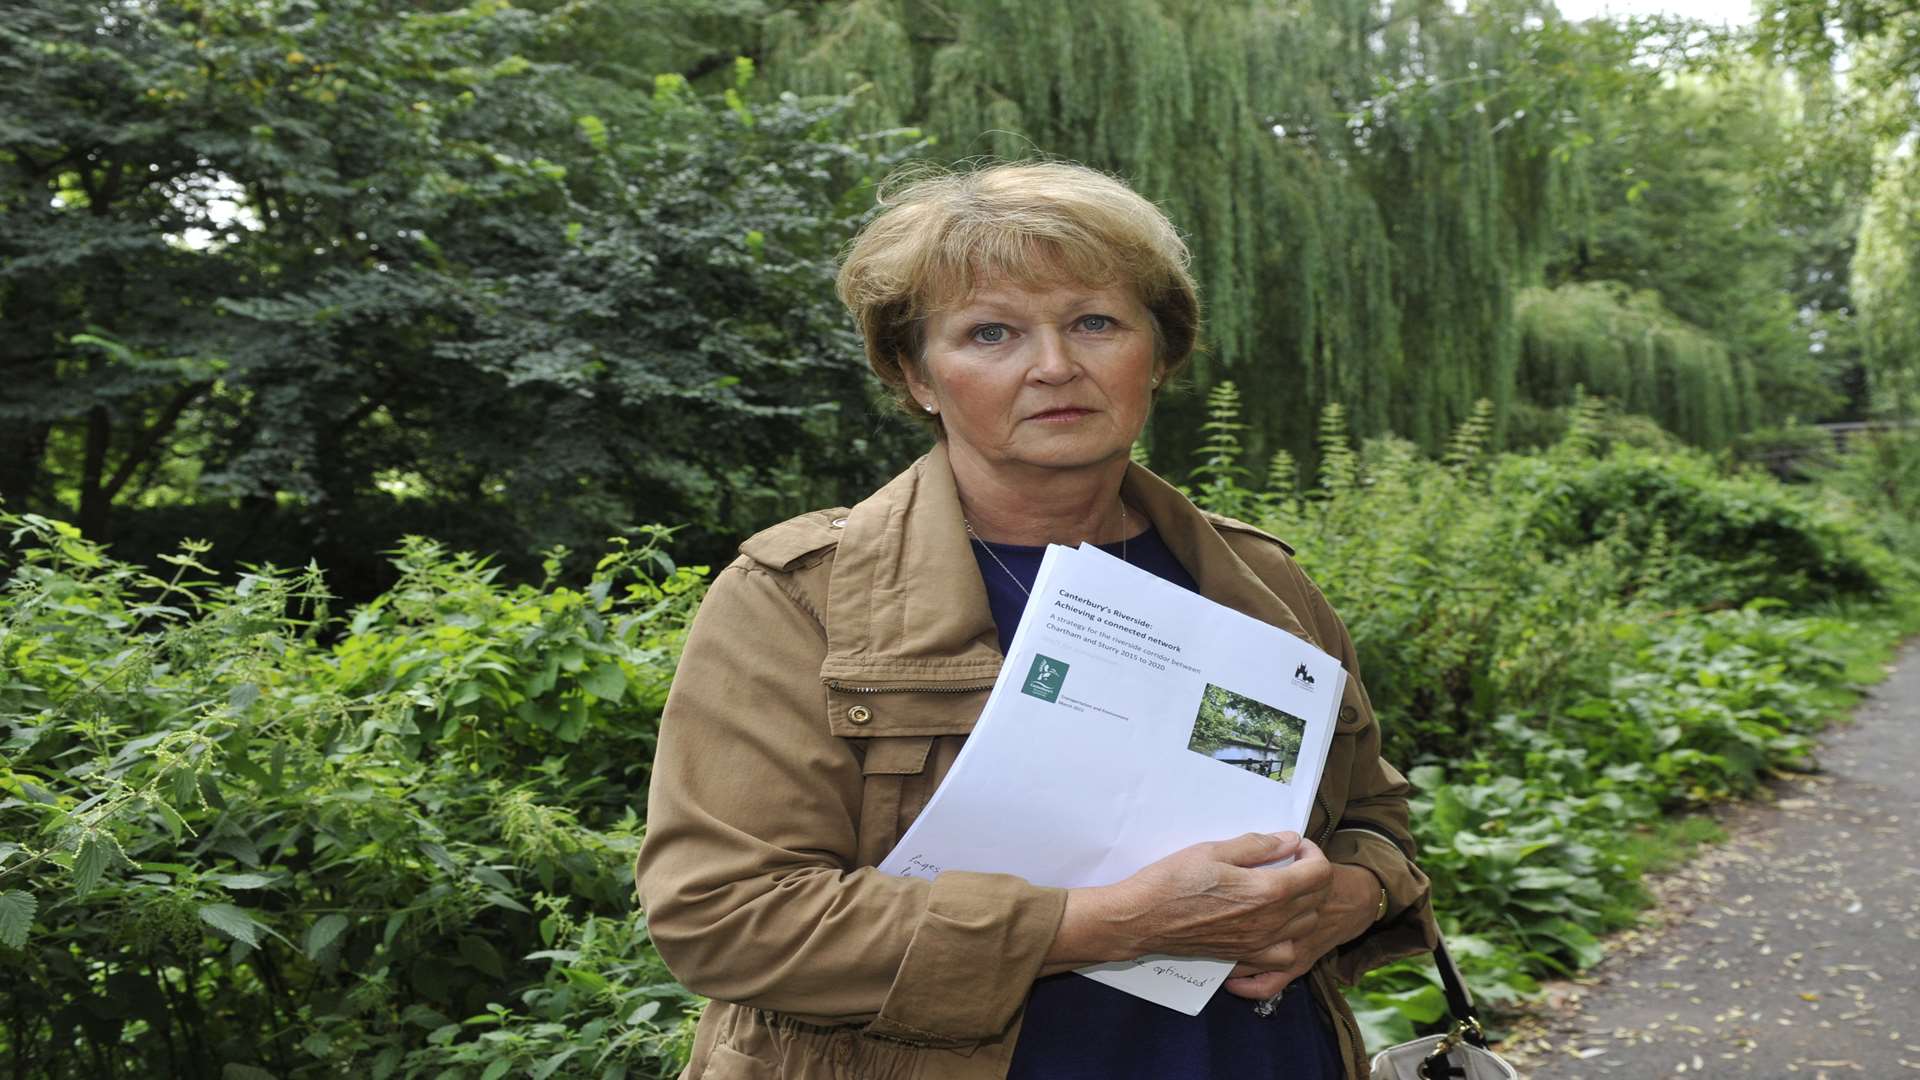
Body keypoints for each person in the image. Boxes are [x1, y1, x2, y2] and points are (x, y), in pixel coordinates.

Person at [634, 162, 1437, 1080]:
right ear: (916, 375)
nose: (1054, 367)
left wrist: (1350, 894)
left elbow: (1375, 815)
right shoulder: (797, 599)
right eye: (991, 332)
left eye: (1095, 322)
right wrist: (1109, 925)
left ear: (1159, 353)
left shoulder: (1261, 582)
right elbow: (725, 918)